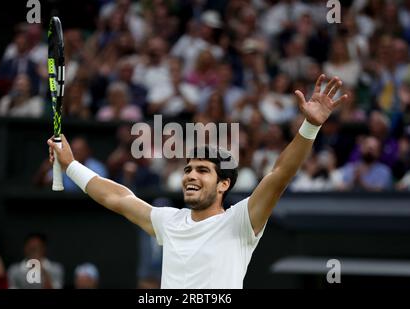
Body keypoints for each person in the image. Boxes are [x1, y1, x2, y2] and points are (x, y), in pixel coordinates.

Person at [47, 75, 348, 288]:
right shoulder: (169, 221)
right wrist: (71, 165)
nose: (191, 175)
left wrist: (309, 126)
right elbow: (117, 198)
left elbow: (279, 175)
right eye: (189, 169)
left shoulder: (241, 222)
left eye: (203, 170)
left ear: (223, 185)